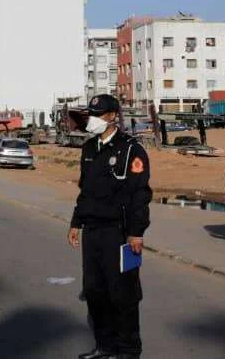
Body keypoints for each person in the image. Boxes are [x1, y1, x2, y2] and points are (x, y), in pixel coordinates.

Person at [68, 94, 152, 359]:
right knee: (94, 291)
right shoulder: (89, 149)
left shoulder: (130, 149)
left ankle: (128, 351)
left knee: (124, 295)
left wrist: (136, 232)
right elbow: (85, 191)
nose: (92, 119)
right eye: (91, 114)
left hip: (121, 234)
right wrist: (76, 222)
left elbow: (140, 193)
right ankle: (105, 346)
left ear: (113, 116)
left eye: (99, 114)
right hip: (93, 232)